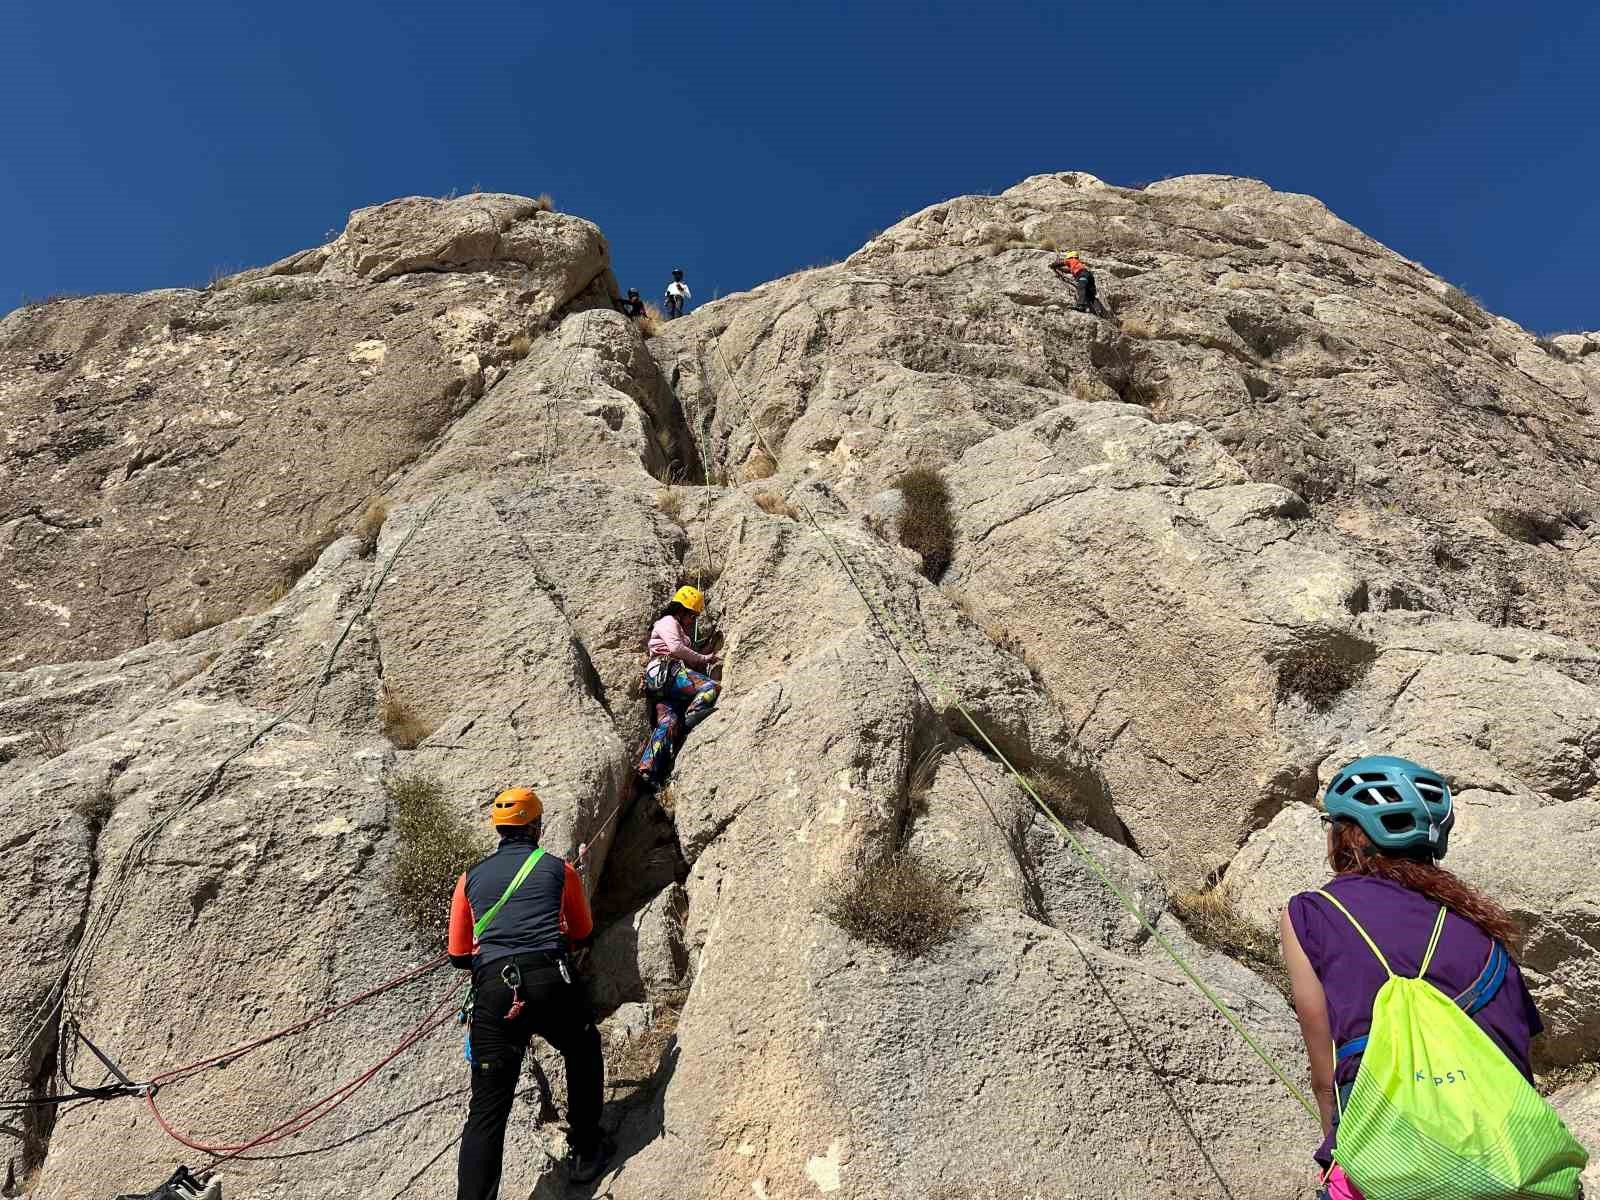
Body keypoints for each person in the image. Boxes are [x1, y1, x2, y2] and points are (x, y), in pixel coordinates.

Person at [1280, 755, 1554, 1200]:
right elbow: (1518, 1053)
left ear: (1348, 835)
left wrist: (1338, 1141)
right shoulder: (1484, 926)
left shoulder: (1313, 914)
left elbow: (1324, 1070)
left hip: (1398, 1162)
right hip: (1511, 1164)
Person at [449, 787, 612, 1196]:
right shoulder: (559, 870)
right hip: (549, 981)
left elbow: (457, 954)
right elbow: (582, 932)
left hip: (493, 992)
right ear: (536, 827)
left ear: (500, 830)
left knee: (487, 1109)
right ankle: (586, 1149)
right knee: (581, 1047)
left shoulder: (468, 879)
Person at [636, 585, 720, 789]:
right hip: (669, 672)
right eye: (691, 615)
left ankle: (648, 771)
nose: (693, 621)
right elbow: (675, 649)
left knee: (668, 723)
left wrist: (702, 652)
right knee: (710, 687)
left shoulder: (679, 631)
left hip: (664, 685)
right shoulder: (667, 621)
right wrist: (705, 658)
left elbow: (683, 651)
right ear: (680, 610)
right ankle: (691, 717)